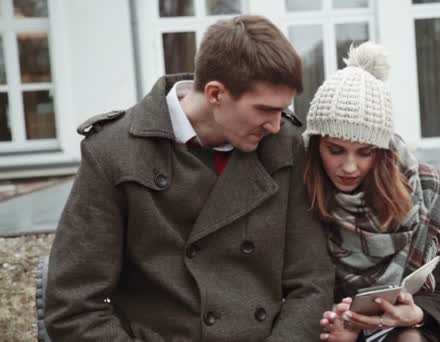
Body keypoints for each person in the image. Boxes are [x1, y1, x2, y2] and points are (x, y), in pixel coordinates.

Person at [45, 15, 334, 341]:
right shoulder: (113, 153)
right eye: (264, 110)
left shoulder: (284, 146)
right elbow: (73, 305)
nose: (275, 125)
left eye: (281, 111)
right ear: (215, 94)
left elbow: (312, 283)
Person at [302, 42, 440, 342]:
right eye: (335, 150)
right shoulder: (301, 193)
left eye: (365, 152)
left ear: (383, 152)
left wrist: (416, 314)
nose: (349, 166)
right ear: (317, 145)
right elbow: (295, 296)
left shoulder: (426, 188)